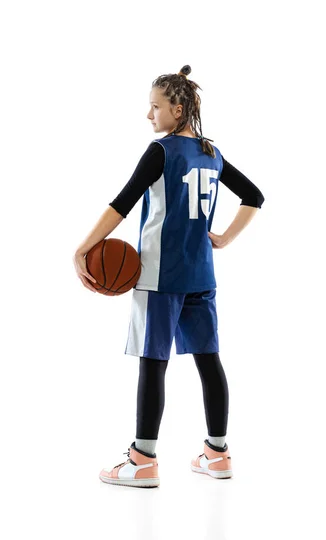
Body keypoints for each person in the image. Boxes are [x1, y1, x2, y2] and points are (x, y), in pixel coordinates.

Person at [73, 64, 265, 488]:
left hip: (161, 276)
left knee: (152, 363)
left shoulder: (161, 151)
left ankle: (142, 460)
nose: (149, 115)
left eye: (154, 106)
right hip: (201, 273)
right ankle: (218, 454)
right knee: (208, 360)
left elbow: (122, 203)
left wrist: (83, 248)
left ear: (176, 110)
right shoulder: (211, 153)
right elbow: (254, 196)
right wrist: (225, 239)